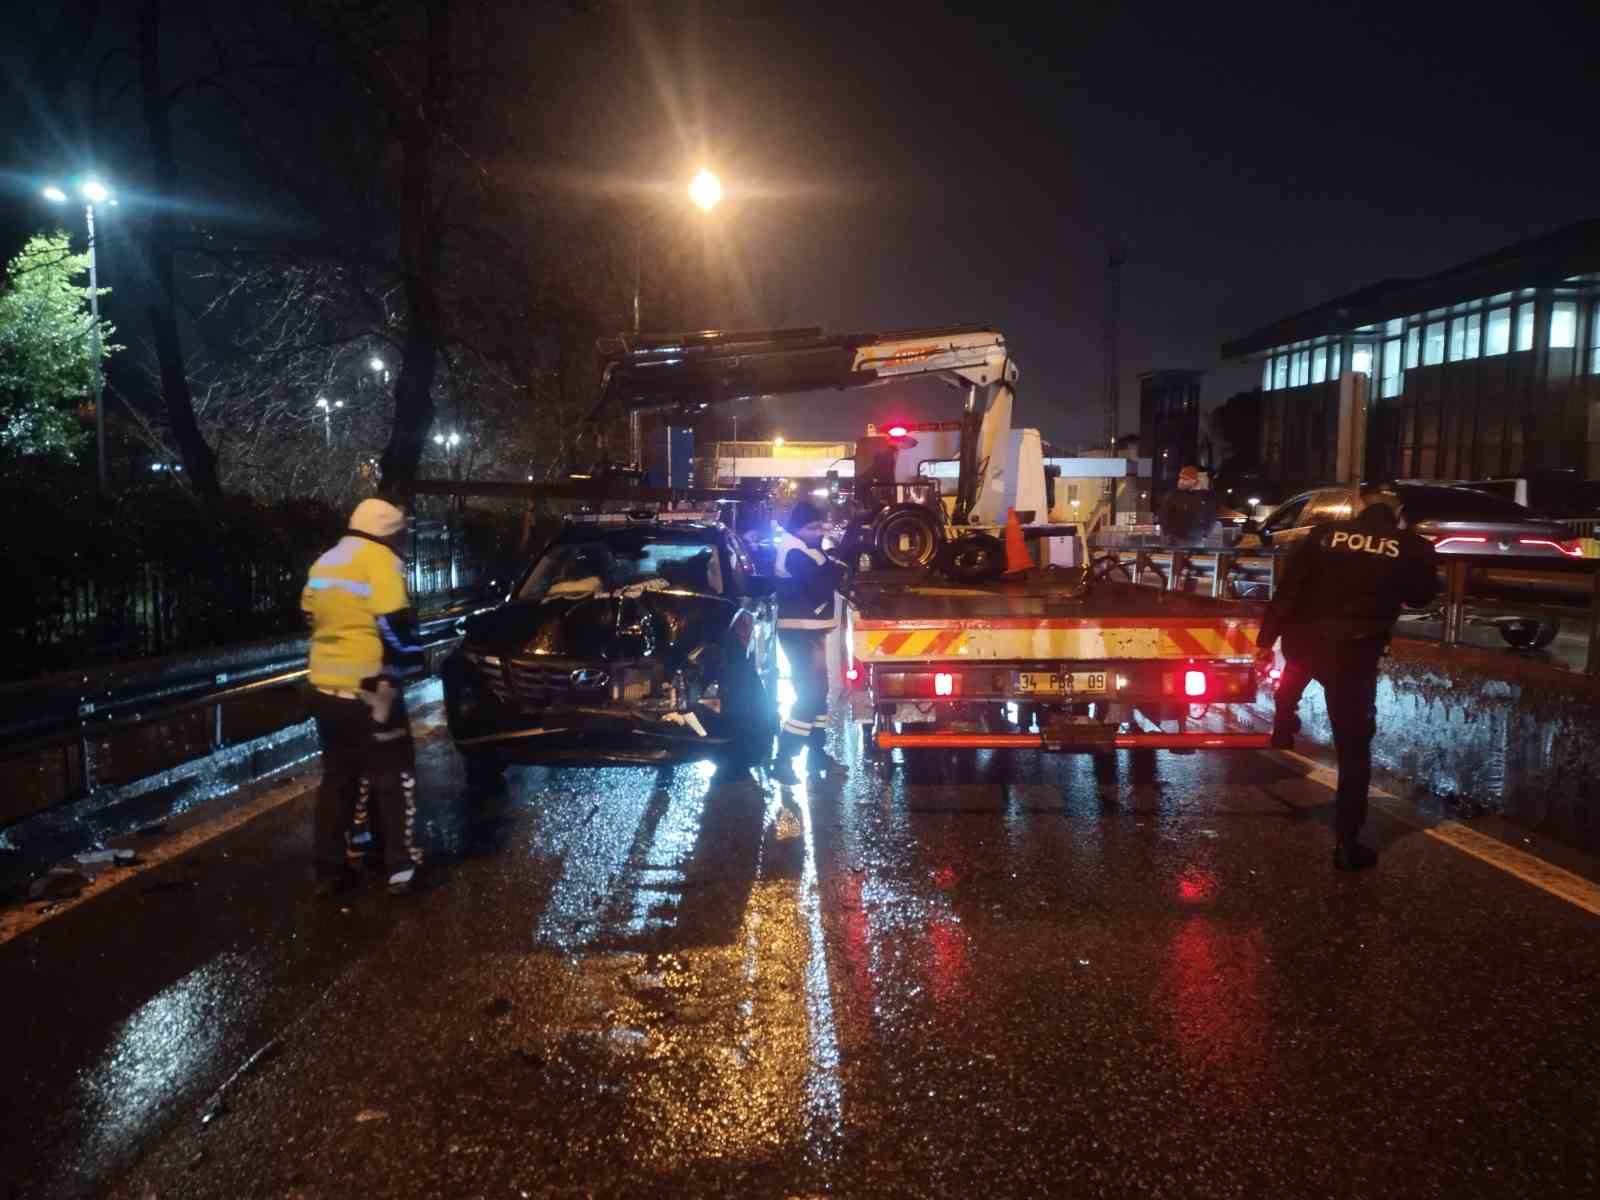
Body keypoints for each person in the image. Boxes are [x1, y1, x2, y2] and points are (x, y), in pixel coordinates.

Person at [1255, 484, 1438, 871]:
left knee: (1299, 668)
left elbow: (1288, 591)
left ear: (1359, 508)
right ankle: (1347, 844)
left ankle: (1283, 719)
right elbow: (1422, 596)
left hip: (1304, 641)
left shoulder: (1321, 537)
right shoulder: (1411, 546)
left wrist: (1265, 639)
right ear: (1398, 511)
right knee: (1354, 753)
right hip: (1353, 653)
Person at [302, 497, 428, 896]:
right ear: (390, 533)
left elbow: (308, 614)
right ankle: (399, 867)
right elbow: (395, 627)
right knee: (394, 775)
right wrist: (404, 668)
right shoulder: (382, 561)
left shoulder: (325, 561)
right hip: (372, 691)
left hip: (324, 689)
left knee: (338, 778)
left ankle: (330, 869)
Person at [772, 498, 848, 784]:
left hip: (811, 631)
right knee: (810, 697)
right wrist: (837, 566)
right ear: (798, 528)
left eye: (821, 525)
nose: (820, 531)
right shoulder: (793, 551)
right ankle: (783, 760)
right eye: (813, 527)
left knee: (819, 694)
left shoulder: (806, 548)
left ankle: (817, 754)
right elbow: (819, 586)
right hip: (800, 632)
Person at [1158, 465, 1216, 546]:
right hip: (1174, 539)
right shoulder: (1172, 495)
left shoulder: (1205, 497)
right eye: (1180, 478)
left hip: (1195, 539)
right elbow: (1164, 514)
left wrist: (1205, 534)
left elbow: (1210, 517)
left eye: (1185, 479)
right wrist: (1167, 533)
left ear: (1193, 481)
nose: (1181, 481)